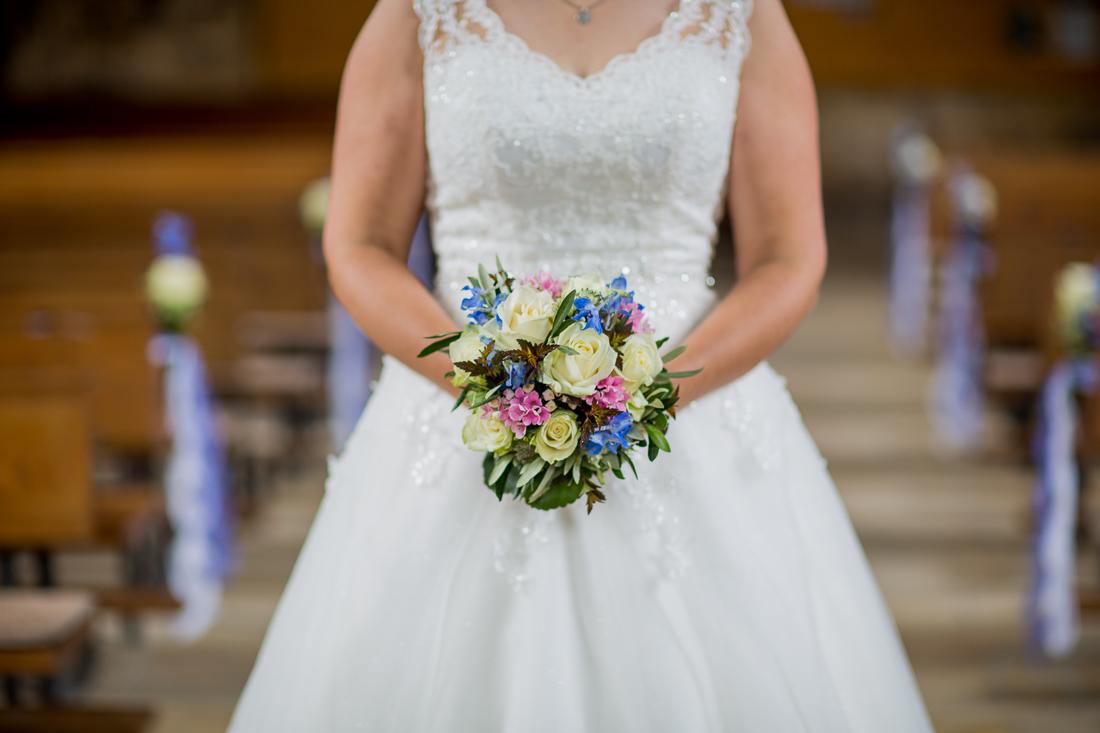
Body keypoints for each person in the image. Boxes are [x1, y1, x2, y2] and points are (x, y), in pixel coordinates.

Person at [229, 1, 934, 729]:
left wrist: (654, 389)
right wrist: (486, 382)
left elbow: (789, 257)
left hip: (692, 407)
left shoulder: (739, 13)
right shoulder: (420, 13)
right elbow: (360, 244)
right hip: (464, 410)